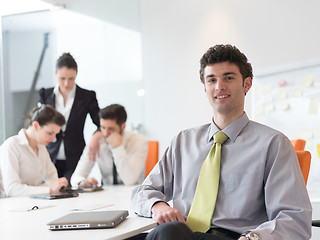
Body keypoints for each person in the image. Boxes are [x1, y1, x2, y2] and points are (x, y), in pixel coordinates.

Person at [131, 44, 312, 240]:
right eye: (212, 80)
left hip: (234, 237)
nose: (219, 86)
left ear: (247, 84)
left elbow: (294, 220)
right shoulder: (183, 141)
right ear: (205, 88)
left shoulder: (274, 144)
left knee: (167, 233)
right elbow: (142, 191)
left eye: (228, 77)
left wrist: (253, 238)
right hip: (183, 234)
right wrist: (157, 205)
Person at [39, 52, 100, 184]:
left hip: (75, 155)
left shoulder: (87, 96)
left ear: (76, 74)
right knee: (53, 190)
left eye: (71, 79)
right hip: (50, 155)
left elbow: (100, 123)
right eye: (62, 78)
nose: (66, 83)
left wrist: (95, 137)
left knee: (72, 188)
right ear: (56, 74)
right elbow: (39, 123)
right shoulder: (45, 94)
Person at [71, 104, 148, 187]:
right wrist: (83, 182)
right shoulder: (97, 142)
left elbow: (130, 180)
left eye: (111, 129)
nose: (106, 134)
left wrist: (117, 147)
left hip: (133, 193)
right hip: (107, 195)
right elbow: (75, 177)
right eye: (103, 128)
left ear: (123, 126)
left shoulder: (139, 141)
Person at [0, 105, 68, 197]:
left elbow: (54, 180)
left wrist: (49, 188)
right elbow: (12, 190)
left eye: (55, 134)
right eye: (50, 133)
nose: (53, 139)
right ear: (36, 125)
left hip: (33, 202)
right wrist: (49, 189)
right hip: (11, 206)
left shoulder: (41, 147)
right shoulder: (11, 146)